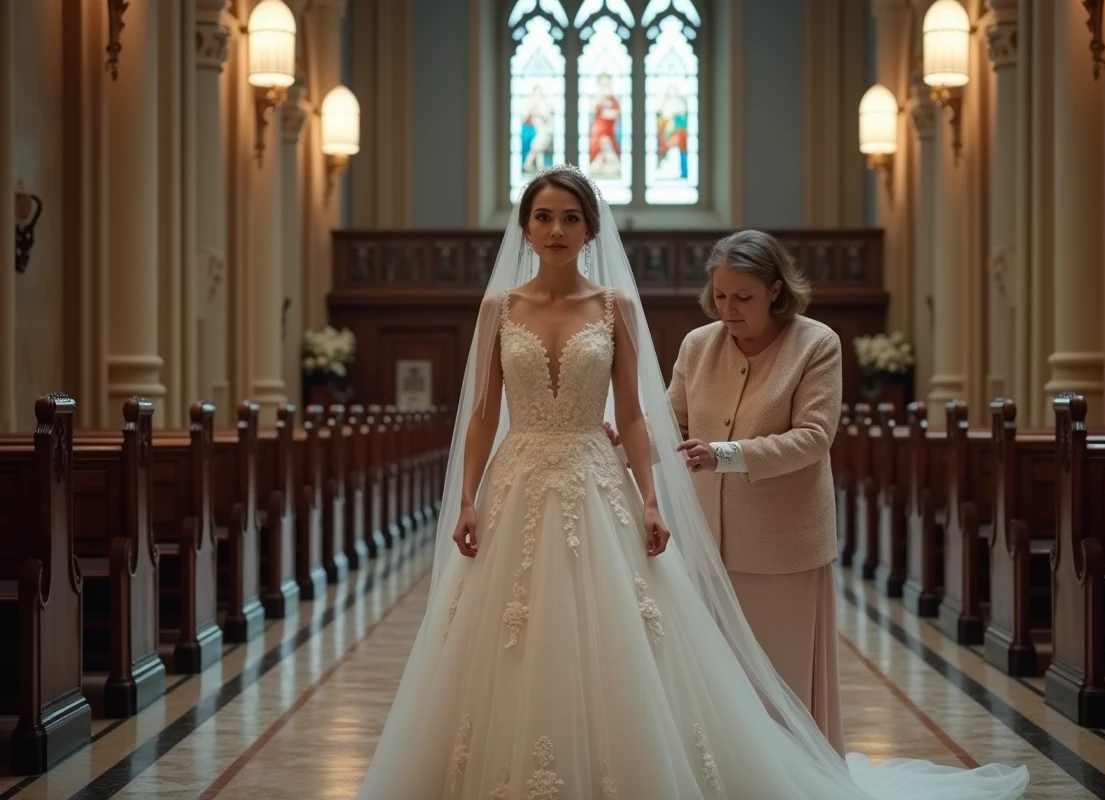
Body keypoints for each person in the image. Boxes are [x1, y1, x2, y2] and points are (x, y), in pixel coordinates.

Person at [355, 164, 1029, 799]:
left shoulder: (617, 307)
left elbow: (638, 416)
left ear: (591, 228)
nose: (555, 230)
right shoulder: (497, 309)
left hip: (600, 486)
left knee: (621, 631)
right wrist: (467, 498)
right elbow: (480, 415)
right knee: (506, 631)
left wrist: (651, 499)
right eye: (541, 216)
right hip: (517, 482)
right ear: (524, 227)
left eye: (568, 217)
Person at [608, 229, 846, 753]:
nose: (727, 309)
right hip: (707, 546)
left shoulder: (816, 344)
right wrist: (622, 440)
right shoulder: (699, 344)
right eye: (719, 295)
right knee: (717, 681)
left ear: (776, 292)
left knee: (777, 681)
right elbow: (669, 421)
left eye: (743, 297)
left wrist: (727, 455)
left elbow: (813, 437)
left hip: (783, 543)